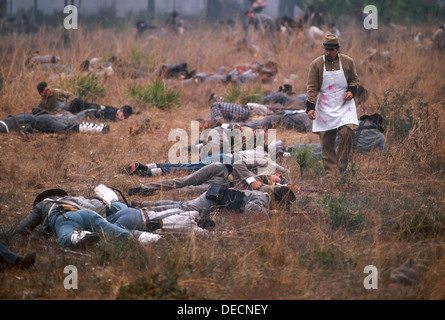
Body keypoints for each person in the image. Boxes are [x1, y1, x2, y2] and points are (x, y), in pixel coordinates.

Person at [10, 188, 161, 248]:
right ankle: (151, 238)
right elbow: (96, 206)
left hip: (64, 218)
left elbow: (24, 228)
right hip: (88, 215)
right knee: (117, 232)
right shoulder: (73, 198)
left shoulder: (43, 204)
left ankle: (83, 237)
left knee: (65, 237)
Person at [127, 147, 290, 196]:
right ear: (276, 173)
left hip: (222, 186)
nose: (277, 179)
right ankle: (143, 188)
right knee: (184, 180)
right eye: (279, 177)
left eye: (279, 183)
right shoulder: (261, 164)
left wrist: (271, 187)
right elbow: (238, 163)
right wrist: (250, 180)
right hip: (219, 169)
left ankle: (152, 191)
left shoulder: (263, 189)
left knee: (186, 191)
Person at [305, 34, 360, 177]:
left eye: (330, 50)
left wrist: (351, 91)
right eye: (325, 49)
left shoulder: (348, 62)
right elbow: (312, 87)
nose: (327, 53)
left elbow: (354, 80)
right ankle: (331, 173)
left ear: (337, 49)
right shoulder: (316, 64)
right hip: (325, 103)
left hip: (344, 102)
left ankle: (341, 168)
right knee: (326, 139)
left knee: (348, 131)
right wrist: (310, 107)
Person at [135, 184, 296, 218]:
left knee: (181, 206)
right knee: (182, 209)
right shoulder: (262, 200)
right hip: (213, 201)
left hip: (214, 197)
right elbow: (250, 209)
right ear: (278, 202)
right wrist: (269, 214)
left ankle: (142, 206)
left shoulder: (262, 195)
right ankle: (142, 210)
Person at [0, 112, 109, 134]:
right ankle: (99, 127)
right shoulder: (9, 119)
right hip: (44, 118)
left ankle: (99, 129)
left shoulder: (7, 125)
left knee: (68, 128)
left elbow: (26, 128)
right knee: (69, 122)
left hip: (43, 122)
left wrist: (32, 133)